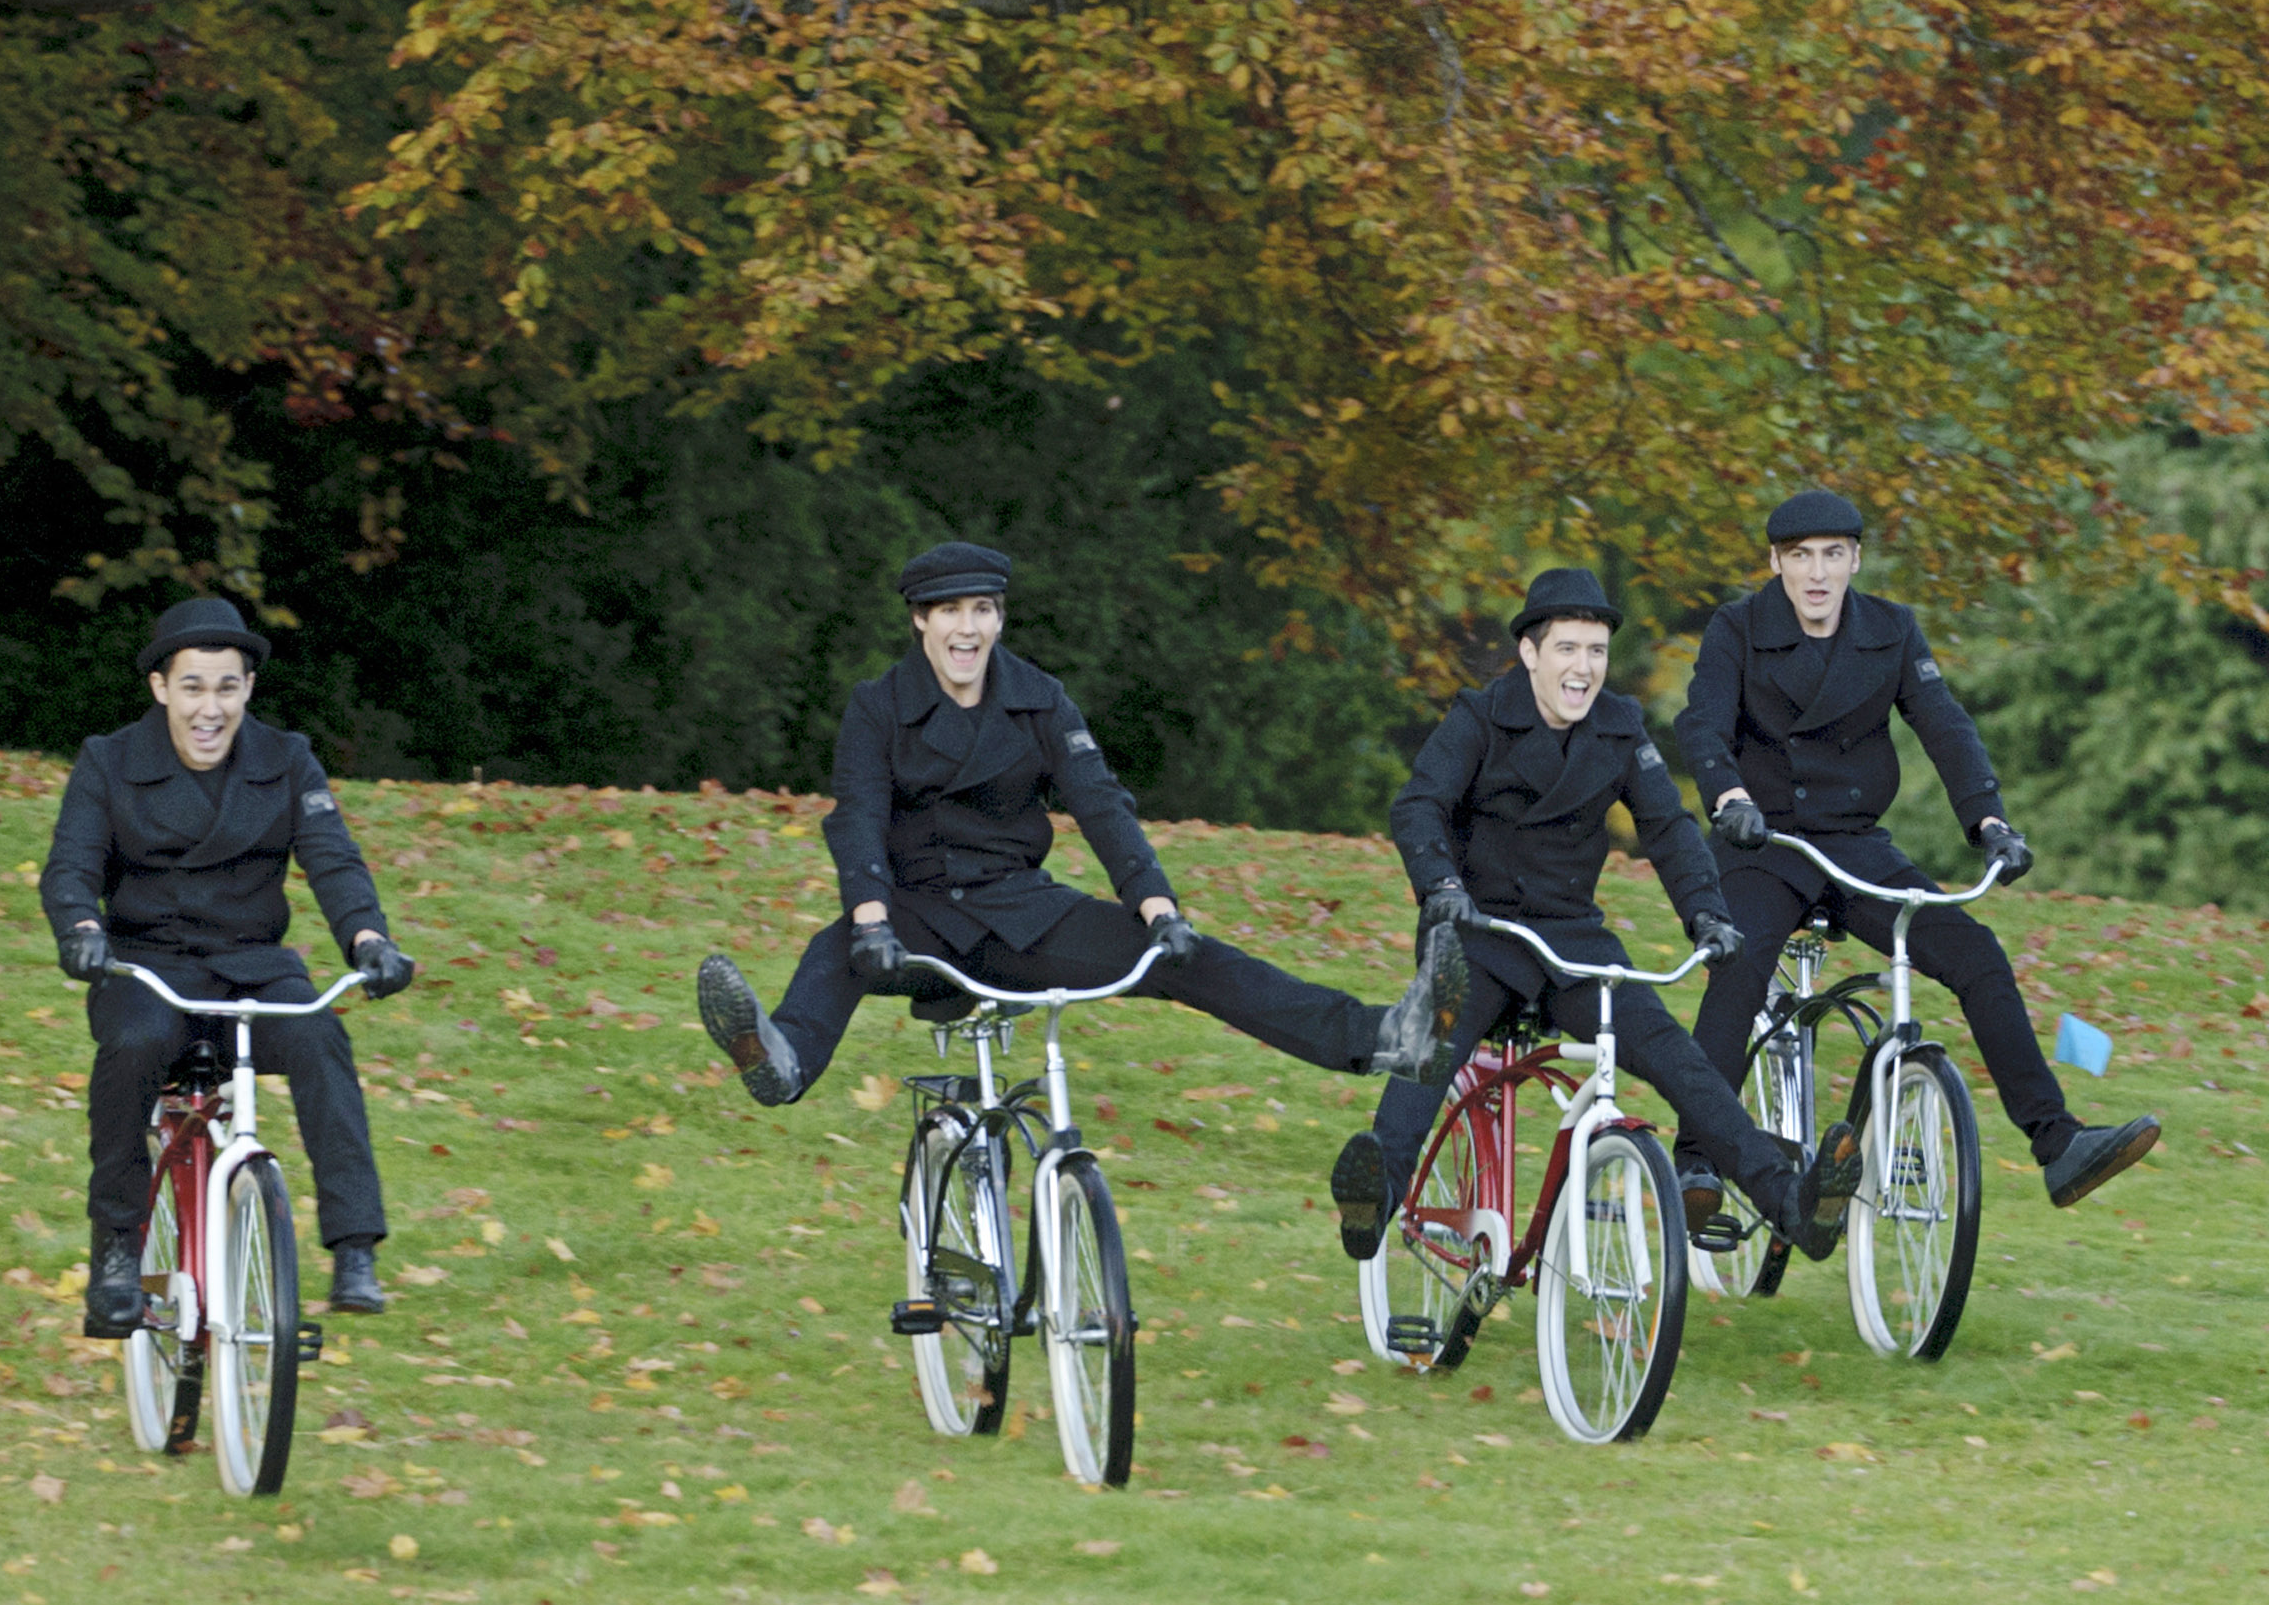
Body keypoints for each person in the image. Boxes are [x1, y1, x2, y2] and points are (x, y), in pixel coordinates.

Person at [695, 541, 1471, 1111]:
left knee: (1189, 960)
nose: (968, 628)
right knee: (833, 950)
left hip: (1024, 916)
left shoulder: (1040, 699)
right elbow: (858, 815)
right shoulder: (878, 705)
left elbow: (1102, 806)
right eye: (951, 612)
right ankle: (782, 1057)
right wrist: (871, 919)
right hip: (916, 920)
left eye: (983, 610)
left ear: (998, 619)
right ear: (921, 621)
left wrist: (1159, 909)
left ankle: (1384, 1037)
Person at [1328, 567, 1865, 1264]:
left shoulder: (1619, 725)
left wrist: (1707, 912)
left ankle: (1790, 1201)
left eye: (1597, 651)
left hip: (1572, 941)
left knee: (1680, 1057)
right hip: (1480, 929)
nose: (1583, 668)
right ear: (1530, 652)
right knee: (1432, 1037)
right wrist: (1440, 882)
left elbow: (1668, 828)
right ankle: (1377, 1198)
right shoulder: (1480, 716)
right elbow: (1418, 805)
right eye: (1568, 649)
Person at [1674, 488, 2159, 1210]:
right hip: (1764, 840)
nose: (1817, 573)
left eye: (1832, 555)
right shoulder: (1737, 628)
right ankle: (1697, 1160)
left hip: (1854, 844)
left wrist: (1989, 822)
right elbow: (1701, 723)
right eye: (1801, 557)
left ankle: (2058, 1143)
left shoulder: (1891, 631)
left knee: (1976, 953)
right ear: (1775, 561)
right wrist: (1729, 799)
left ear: (1855, 559)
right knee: (1739, 969)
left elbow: (1944, 724)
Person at [39, 596, 418, 1336]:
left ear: (247, 688)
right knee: (135, 1047)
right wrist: (82, 928)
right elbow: (70, 866)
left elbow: (334, 860)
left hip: (252, 965)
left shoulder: (286, 760)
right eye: (192, 687)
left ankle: (355, 1247)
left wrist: (370, 940)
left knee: (319, 1035)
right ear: (160, 687)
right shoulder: (108, 761)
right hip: (146, 966)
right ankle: (116, 1250)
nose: (209, 708)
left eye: (226, 687)